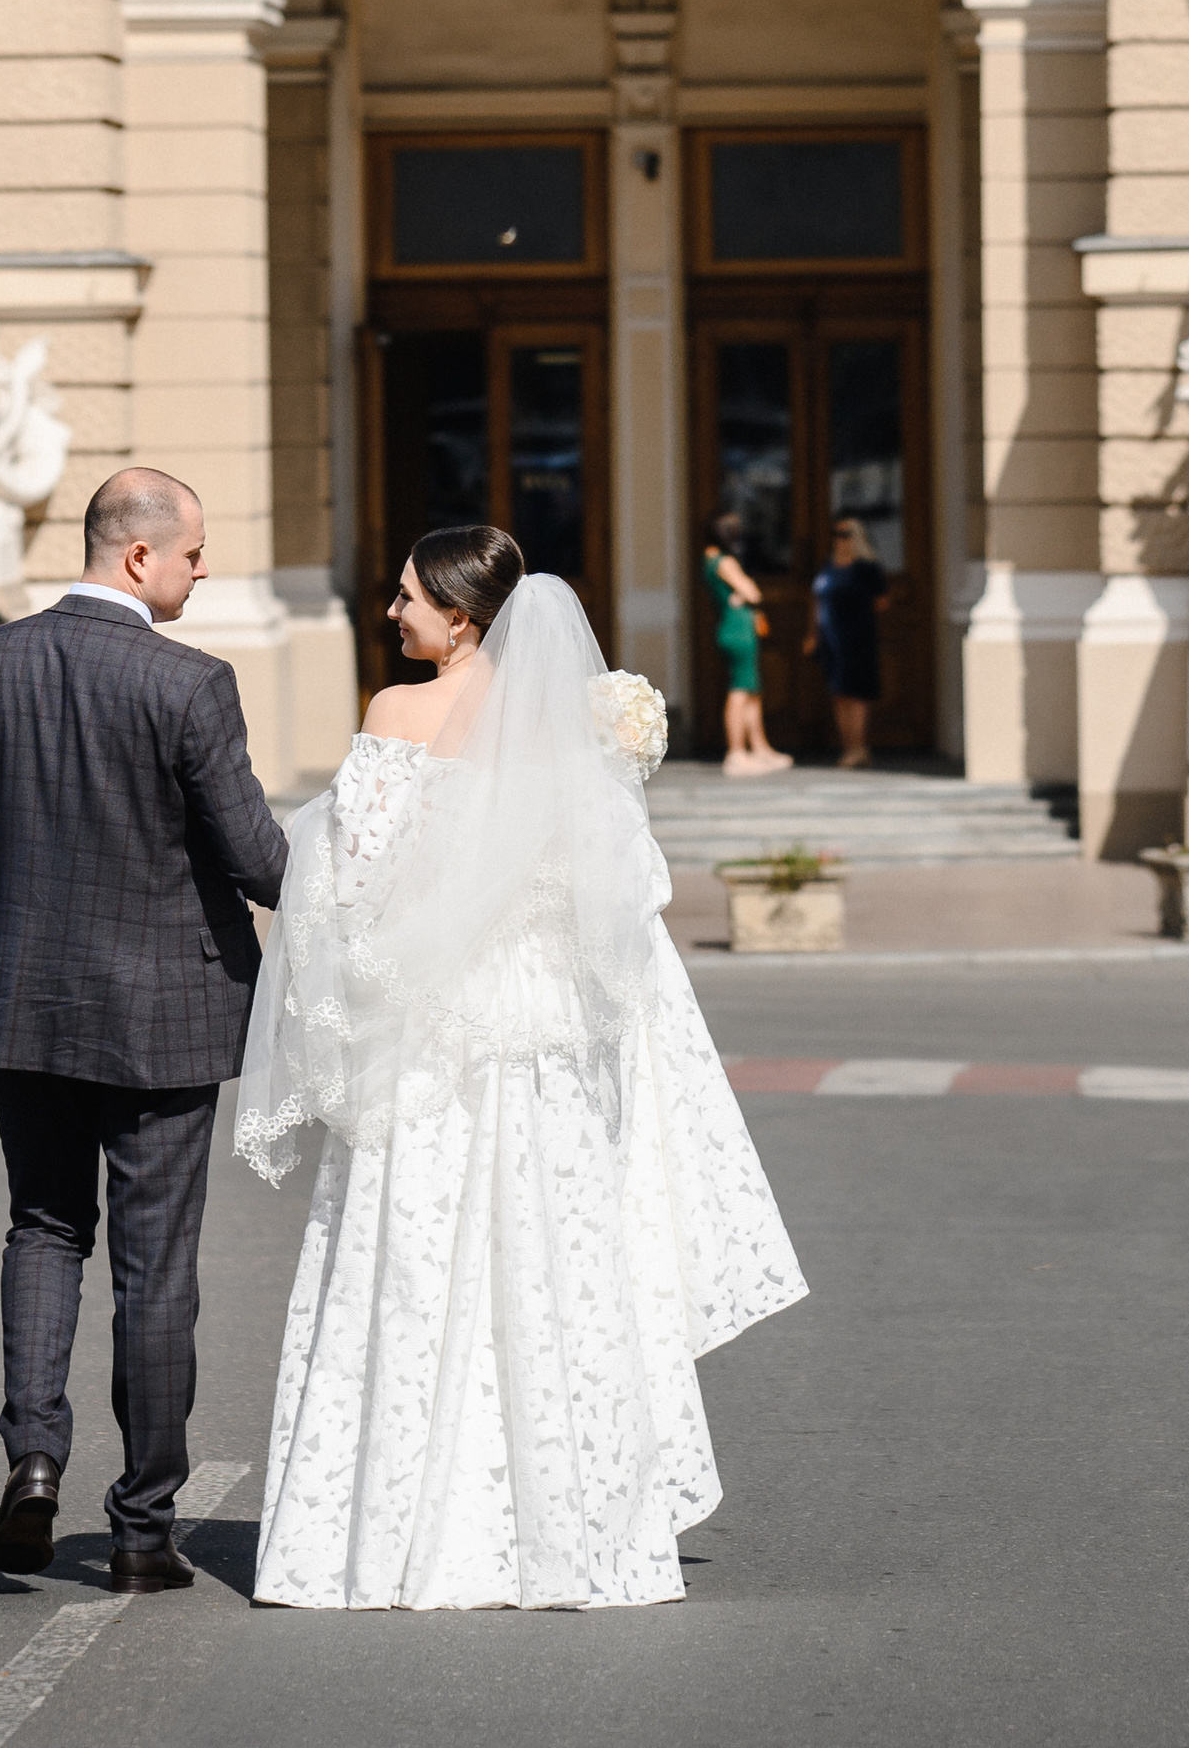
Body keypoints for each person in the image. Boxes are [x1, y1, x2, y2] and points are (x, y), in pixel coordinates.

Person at [236, 526, 807, 1608]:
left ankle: (400, 1533)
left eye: (406, 597)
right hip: (539, 1038)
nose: (391, 612)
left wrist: (360, 966)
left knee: (414, 1262)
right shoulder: (563, 732)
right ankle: (574, 1530)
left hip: (428, 1039)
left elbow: (355, 883)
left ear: (460, 615)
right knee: (552, 1263)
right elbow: (617, 898)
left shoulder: (397, 714)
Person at [0, 468, 289, 1592]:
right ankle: (142, 1528)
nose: (202, 569)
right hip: (168, 1016)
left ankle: (33, 1454)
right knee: (155, 1268)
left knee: (41, 1229)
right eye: (193, 551)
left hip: (26, 1006)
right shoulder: (190, 683)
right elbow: (257, 860)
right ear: (139, 556)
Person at [699, 518, 791, 775]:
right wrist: (746, 591)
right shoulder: (724, 561)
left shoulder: (710, 560)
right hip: (737, 630)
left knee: (751, 689)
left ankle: (760, 748)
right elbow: (753, 593)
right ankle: (737, 752)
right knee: (740, 690)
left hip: (736, 627)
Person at [808, 514, 893, 768]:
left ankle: (858, 747)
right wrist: (812, 634)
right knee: (838, 693)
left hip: (857, 638)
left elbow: (881, 601)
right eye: (836, 534)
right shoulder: (828, 567)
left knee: (856, 694)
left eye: (845, 534)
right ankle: (848, 746)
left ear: (857, 537)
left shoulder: (866, 568)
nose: (839, 540)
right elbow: (816, 601)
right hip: (831, 640)